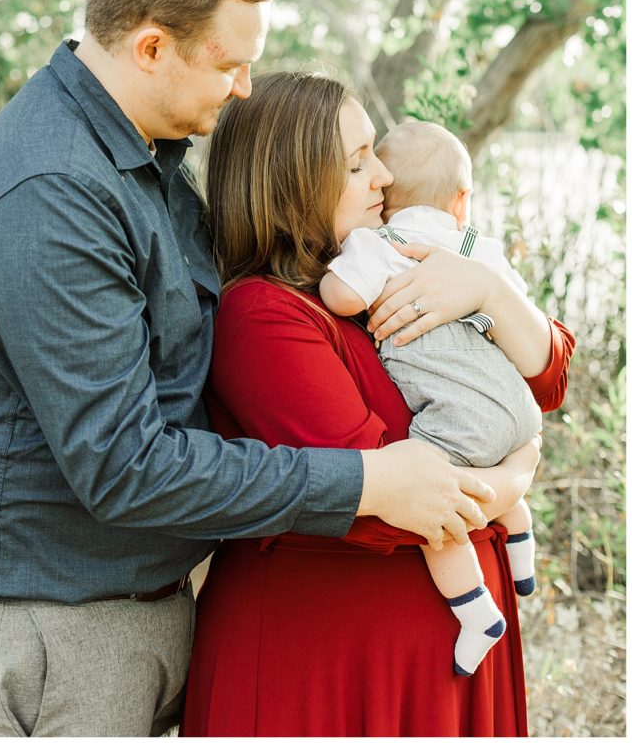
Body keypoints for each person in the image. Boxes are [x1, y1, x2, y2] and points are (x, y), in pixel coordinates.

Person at [0, 0, 504, 738]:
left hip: (145, 615)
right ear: (150, 46)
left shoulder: (147, 160)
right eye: (228, 65)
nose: (244, 87)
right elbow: (122, 464)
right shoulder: (52, 194)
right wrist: (366, 481)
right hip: (57, 632)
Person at [182, 71, 575, 737]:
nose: (386, 177)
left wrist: (490, 293)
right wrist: (517, 476)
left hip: (437, 659)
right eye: (360, 161)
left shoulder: (382, 276)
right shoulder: (265, 314)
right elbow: (393, 506)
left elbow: (546, 382)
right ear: (293, 178)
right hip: (328, 659)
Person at [320, 119, 544, 676]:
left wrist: (330, 277)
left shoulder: (382, 242)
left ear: (385, 194)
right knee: (492, 465)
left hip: (460, 416)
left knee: (432, 504)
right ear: (461, 200)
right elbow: (527, 321)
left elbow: (345, 297)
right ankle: (520, 547)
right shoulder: (476, 247)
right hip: (515, 402)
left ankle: (475, 612)